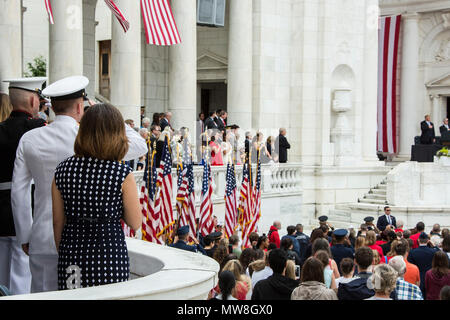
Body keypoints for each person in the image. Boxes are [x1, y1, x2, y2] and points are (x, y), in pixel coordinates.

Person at [11, 76, 147, 293]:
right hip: (97, 247)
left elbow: (19, 192)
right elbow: (140, 145)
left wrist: (25, 234)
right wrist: (111, 117)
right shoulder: (97, 138)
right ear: (79, 105)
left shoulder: (30, 139)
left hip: (46, 238)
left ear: (52, 106)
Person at [52, 103, 141, 290]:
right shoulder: (121, 173)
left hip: (71, 253)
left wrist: (67, 251)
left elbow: (58, 222)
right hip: (110, 254)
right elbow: (135, 222)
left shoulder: (62, 170)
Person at [0, 77, 47, 295]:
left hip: (0, 210)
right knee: (22, 274)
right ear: (32, 100)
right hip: (26, 207)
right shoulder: (37, 129)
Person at [408, 232, 440, 298]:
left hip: (419, 278)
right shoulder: (433, 251)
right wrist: (434, 246)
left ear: (418, 240)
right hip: (431, 277)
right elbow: (440, 253)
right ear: (428, 241)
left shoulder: (412, 252)